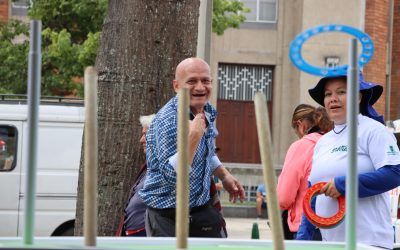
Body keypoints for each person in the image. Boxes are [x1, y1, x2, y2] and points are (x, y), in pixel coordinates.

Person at [139, 57, 245, 237]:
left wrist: (224, 175)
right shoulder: (169, 120)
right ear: (177, 86)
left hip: (200, 208)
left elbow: (208, 153)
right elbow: (172, 176)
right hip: (167, 214)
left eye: (205, 80)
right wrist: (194, 136)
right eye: (192, 81)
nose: (200, 87)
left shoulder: (207, 110)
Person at [296, 72, 400, 249]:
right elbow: (312, 197)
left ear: (358, 97)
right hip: (330, 245)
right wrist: (300, 242)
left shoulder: (373, 131)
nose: (333, 99)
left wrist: (343, 184)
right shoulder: (323, 143)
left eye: (341, 92)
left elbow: (395, 173)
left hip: (369, 243)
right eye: (328, 94)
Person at [277, 104, 332, 239]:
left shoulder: (301, 146)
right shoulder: (334, 143)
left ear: (300, 125)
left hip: (305, 226)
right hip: (334, 223)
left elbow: (283, 198)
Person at [120, 114, 155, 236]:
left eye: (146, 134)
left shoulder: (167, 164)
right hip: (137, 233)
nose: (141, 140)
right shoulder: (150, 164)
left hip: (148, 233)